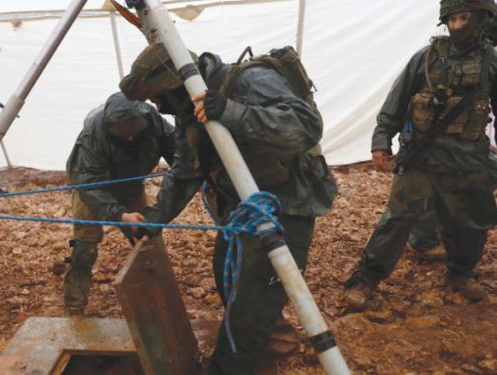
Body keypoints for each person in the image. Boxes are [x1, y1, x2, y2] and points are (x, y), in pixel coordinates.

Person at [119, 44, 336, 374]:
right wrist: (155, 218)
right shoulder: (188, 109)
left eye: (159, 97)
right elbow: (185, 170)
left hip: (286, 204)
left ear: (178, 83)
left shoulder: (251, 81)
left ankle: (233, 364)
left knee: (250, 304)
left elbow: (305, 126)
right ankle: (272, 336)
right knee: (227, 272)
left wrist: (231, 112)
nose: (158, 106)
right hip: (242, 206)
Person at [344, 0, 497, 310]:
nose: (456, 26)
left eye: (464, 18)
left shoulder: (490, 63)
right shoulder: (427, 58)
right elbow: (396, 101)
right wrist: (381, 140)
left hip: (467, 162)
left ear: (482, 20)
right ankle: (366, 279)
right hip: (421, 159)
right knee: (397, 219)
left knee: (467, 225)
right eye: (452, 19)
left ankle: (461, 273)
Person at [63, 92, 176, 315]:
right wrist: (120, 215)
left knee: (146, 236)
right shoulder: (93, 134)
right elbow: (88, 183)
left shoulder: (154, 123)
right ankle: (74, 306)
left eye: (134, 133)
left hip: (130, 184)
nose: (130, 139)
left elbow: (179, 153)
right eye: (123, 135)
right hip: (92, 189)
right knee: (84, 246)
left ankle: (161, 297)